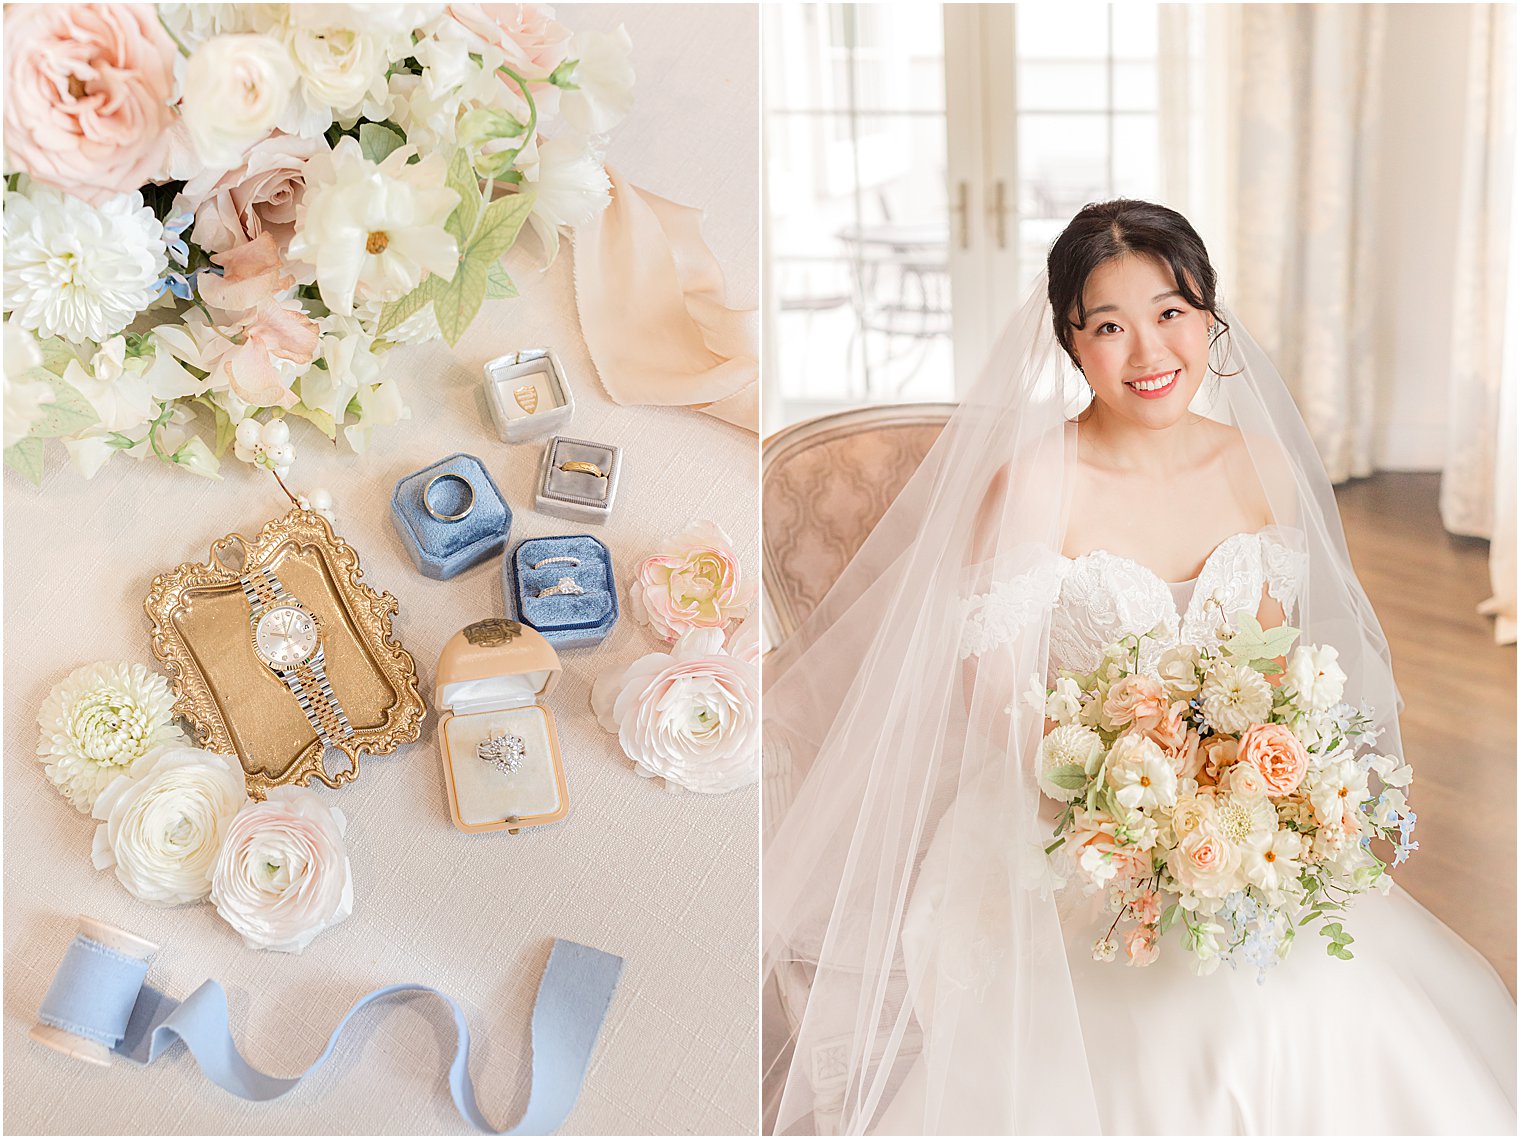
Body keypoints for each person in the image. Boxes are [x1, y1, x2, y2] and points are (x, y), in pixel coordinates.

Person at [763, 200, 1517, 1135]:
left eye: (1171, 313)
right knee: (1207, 1018)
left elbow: (1277, 663)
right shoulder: (1037, 483)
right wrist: (1130, 804)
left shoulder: (1262, 465)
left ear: (1209, 318)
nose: (1148, 351)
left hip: (1240, 820)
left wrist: (1260, 789)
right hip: (1069, 819)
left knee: (1339, 990)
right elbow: (995, 696)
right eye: (1110, 326)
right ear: (1071, 343)